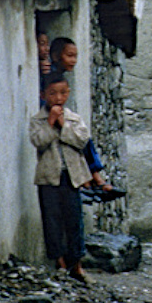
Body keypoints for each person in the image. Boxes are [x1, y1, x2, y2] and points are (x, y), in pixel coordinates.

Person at [30, 72, 92, 283]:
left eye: (63, 93)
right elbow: (38, 141)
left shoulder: (74, 119)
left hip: (71, 177)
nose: (58, 98)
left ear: (68, 93)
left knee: (74, 220)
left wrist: (63, 125)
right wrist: (50, 123)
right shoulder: (38, 121)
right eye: (53, 93)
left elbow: (82, 140)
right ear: (43, 94)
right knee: (52, 220)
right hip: (48, 178)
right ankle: (59, 262)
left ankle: (77, 263)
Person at [46, 37, 124, 203]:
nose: (73, 61)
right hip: (50, 121)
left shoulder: (58, 74)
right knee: (76, 139)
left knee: (82, 138)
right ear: (55, 56)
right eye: (69, 55)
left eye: (75, 56)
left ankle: (92, 181)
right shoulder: (48, 74)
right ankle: (89, 182)